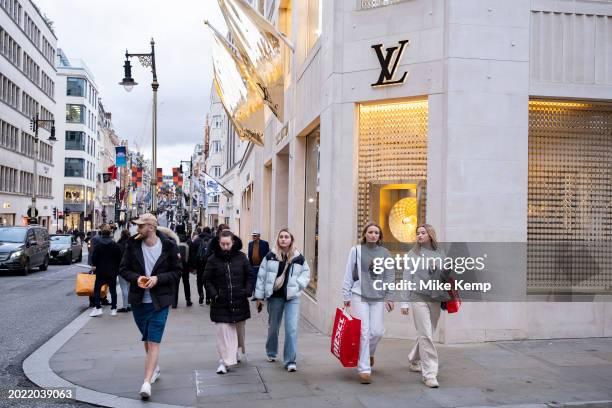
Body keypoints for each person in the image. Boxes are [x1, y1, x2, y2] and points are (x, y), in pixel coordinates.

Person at [119, 213, 181, 400]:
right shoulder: (132, 245)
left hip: (160, 302)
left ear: (151, 227)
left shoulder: (169, 246)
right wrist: (137, 278)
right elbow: (123, 269)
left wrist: (157, 279)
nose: (137, 229)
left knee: (153, 340)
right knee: (146, 337)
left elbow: (177, 272)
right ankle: (154, 367)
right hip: (139, 301)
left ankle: (146, 382)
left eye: (141, 226)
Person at [341, 222, 395, 384]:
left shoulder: (385, 253)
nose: (373, 235)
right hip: (359, 295)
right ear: (365, 234)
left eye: (376, 233)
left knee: (377, 332)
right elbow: (348, 273)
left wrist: (390, 296)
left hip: (378, 296)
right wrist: (346, 295)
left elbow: (389, 275)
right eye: (370, 232)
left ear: (380, 236)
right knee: (363, 332)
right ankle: (364, 369)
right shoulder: (356, 250)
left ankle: (370, 353)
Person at [400, 224, 451, 389]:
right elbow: (406, 279)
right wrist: (404, 302)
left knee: (426, 334)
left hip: (436, 298)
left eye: (423, 232)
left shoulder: (440, 253)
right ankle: (430, 374)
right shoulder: (412, 254)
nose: (420, 235)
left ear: (430, 235)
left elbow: (447, 276)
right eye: (418, 233)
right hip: (418, 298)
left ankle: (414, 359)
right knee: (426, 336)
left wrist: (439, 269)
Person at [255, 229, 310, 372]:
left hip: (292, 298)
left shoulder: (299, 257)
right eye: (281, 237)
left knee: (291, 329)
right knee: (273, 327)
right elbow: (261, 277)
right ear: (278, 239)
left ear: (291, 240)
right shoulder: (270, 256)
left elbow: (306, 273)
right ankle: (271, 352)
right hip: (275, 297)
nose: (284, 239)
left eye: (286, 237)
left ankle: (290, 361)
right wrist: (259, 297)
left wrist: (298, 285)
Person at [203, 229, 252, 374]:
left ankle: (234, 351)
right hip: (220, 302)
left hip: (239, 300)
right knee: (223, 331)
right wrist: (214, 294)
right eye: (222, 244)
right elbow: (206, 279)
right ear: (218, 243)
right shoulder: (212, 259)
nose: (225, 247)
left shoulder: (242, 257)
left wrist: (247, 291)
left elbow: (250, 275)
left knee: (238, 329)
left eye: (227, 244)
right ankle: (224, 361)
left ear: (233, 242)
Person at [89, 224, 122, 317]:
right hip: (112, 271)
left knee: (97, 289)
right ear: (110, 233)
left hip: (100, 271)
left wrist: (94, 265)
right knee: (113, 290)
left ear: (101, 233)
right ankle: (113, 309)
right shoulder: (114, 245)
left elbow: (94, 257)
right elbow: (119, 257)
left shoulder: (99, 245)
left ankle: (98, 307)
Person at [190, 226, 213, 305]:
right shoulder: (212, 240)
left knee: (199, 280)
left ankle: (201, 294)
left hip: (199, 264)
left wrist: (193, 266)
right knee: (209, 280)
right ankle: (208, 298)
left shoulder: (197, 240)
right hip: (209, 264)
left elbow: (192, 253)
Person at [173, 230, 193, 308]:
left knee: (175, 285)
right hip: (185, 268)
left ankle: (174, 303)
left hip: (176, 268)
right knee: (186, 284)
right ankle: (188, 301)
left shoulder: (175, 246)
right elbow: (190, 258)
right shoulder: (187, 246)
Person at [247, 231, 269, 297]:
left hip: (261, 266)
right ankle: (255, 295)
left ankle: (262, 294)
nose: (253, 237)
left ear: (259, 236)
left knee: (261, 280)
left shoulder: (265, 243)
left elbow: (267, 255)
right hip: (253, 266)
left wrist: (266, 264)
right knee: (254, 281)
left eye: (255, 236)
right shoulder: (250, 244)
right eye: (253, 235)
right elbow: (249, 254)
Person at [116, 229, 132, 313]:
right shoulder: (132, 243)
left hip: (121, 268)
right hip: (131, 269)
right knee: (129, 287)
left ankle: (125, 306)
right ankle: (129, 305)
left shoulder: (119, 244)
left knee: (124, 288)